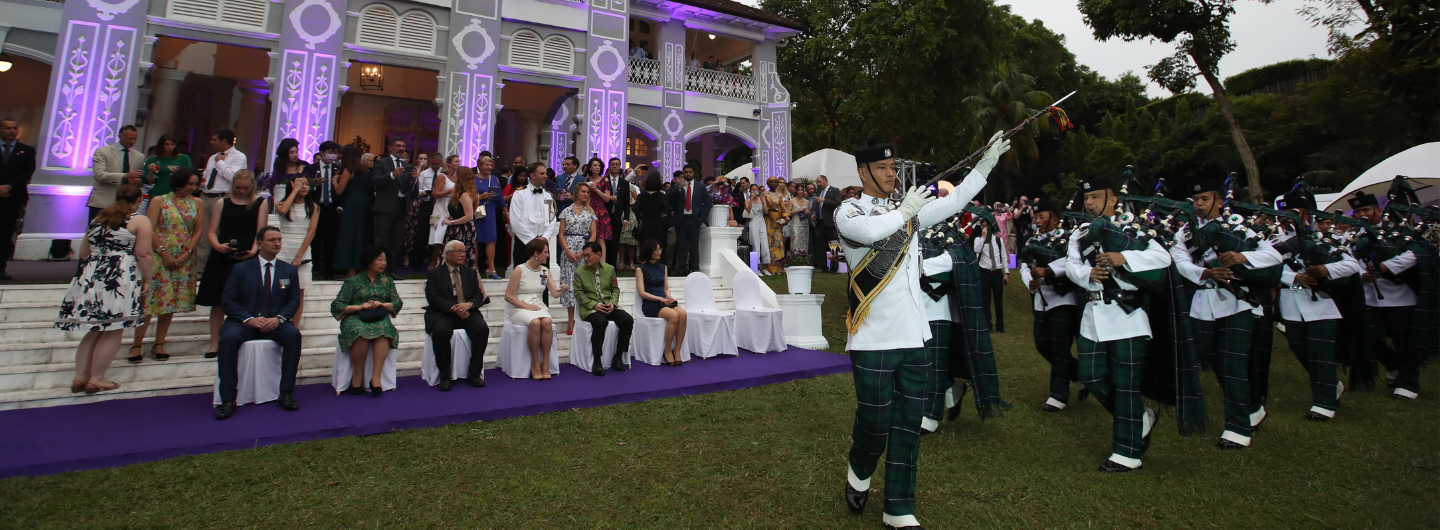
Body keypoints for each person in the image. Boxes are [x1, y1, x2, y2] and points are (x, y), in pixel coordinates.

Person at [835, 137, 1005, 530]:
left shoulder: (904, 211)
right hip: (874, 338)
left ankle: (898, 507)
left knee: (908, 426)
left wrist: (985, 164)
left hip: (914, 336)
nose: (891, 174)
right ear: (863, 173)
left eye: (894, 167)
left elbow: (955, 201)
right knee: (875, 422)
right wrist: (908, 211)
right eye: (882, 168)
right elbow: (869, 233)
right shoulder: (850, 210)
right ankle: (859, 468)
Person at [1063, 175, 1173, 472]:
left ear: (1113, 199)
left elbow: (1161, 257)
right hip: (1093, 314)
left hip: (1127, 315)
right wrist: (1086, 276)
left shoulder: (1132, 228)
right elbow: (1071, 264)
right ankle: (1140, 417)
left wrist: (1123, 256)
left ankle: (1127, 453)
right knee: (1092, 376)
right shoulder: (1080, 233)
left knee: (1125, 386)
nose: (1089, 203)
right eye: (1086, 198)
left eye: (1095, 197)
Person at [1169, 178, 1283, 449]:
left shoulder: (1236, 228)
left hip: (1237, 303)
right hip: (1203, 303)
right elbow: (1180, 260)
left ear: (1219, 202)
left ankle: (1237, 428)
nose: (1199, 205)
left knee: (1233, 365)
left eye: (1205, 199)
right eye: (1195, 200)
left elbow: (1273, 256)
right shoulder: (1184, 231)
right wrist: (1205, 272)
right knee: (1213, 360)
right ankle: (1252, 405)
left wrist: (1244, 257)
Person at [56, 183, 153, 394]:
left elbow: (84, 251)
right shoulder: (139, 220)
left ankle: (80, 377)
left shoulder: (98, 219)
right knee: (113, 329)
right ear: (139, 200)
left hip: (92, 274)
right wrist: (148, 278)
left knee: (93, 329)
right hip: (119, 276)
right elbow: (144, 253)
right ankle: (97, 378)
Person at [1273, 187, 1360, 420]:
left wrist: (1325, 269)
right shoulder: (1273, 242)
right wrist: (1294, 278)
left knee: (1321, 353)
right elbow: (1269, 269)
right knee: (1301, 350)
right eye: (1287, 211)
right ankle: (1331, 384)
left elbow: (1352, 265)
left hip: (1322, 305)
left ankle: (1324, 404)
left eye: (1296, 211)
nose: (1290, 216)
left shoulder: (1324, 238)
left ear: (1305, 213)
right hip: (1291, 304)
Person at [214, 226, 303, 419]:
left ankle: (286, 392)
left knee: (294, 336)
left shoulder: (289, 270)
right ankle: (228, 399)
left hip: (274, 323)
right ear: (259, 243)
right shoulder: (240, 269)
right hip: (244, 322)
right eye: (272, 240)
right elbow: (228, 301)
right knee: (228, 338)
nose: (277, 243)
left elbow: (294, 300)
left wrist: (279, 319)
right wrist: (249, 319)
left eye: (279, 240)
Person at [1351, 191, 1422, 400]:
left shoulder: (1398, 231)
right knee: (1368, 337)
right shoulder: (1353, 235)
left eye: (1366, 209)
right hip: (1370, 297)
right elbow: (1345, 257)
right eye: (1358, 211)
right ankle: (1393, 366)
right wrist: (1361, 274)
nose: (1363, 214)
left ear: (1378, 211)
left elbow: (1415, 254)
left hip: (1400, 295)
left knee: (1404, 342)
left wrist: (1385, 267)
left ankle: (1409, 384)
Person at [129, 168, 203, 363]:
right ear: (179, 182)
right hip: (160, 255)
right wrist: (163, 252)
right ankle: (137, 344)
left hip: (183, 257)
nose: (193, 188)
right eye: (190, 184)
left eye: (195, 184)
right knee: (151, 299)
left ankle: (159, 343)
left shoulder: (197, 203)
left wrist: (188, 252)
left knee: (171, 301)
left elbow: (198, 230)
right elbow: (150, 227)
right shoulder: (160, 200)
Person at [195, 170, 268, 359]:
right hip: (222, 255)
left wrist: (253, 252)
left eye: (246, 188)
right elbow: (212, 231)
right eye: (238, 188)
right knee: (218, 301)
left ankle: (241, 340)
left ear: (252, 186)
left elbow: (260, 231)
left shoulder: (260, 203)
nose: (242, 191)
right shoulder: (222, 203)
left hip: (248, 255)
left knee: (247, 301)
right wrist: (218, 246)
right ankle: (214, 343)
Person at [1018, 199, 1082, 412]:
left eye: (1041, 217)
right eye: (1035, 217)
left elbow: (1074, 260)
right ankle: (1080, 376)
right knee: (1042, 345)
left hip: (1063, 299)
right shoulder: (1030, 242)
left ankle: (1058, 395)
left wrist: (1049, 270)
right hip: (1041, 300)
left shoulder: (1067, 238)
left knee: (1061, 348)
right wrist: (1030, 282)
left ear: (1055, 220)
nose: (1037, 221)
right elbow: (1024, 266)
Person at [329, 244, 403, 396]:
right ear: (369, 262)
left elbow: (397, 302)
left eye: (384, 260)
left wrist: (382, 304)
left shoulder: (387, 281)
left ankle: (375, 379)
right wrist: (359, 307)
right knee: (360, 330)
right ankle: (357, 376)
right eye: (379, 260)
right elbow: (337, 305)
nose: (384, 263)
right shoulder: (352, 282)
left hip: (379, 316)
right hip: (356, 317)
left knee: (384, 330)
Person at [424, 240, 491, 390]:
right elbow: (433, 297)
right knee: (441, 332)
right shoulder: (435, 273)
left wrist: (469, 305)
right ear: (448, 255)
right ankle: (444, 375)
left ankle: (474, 373)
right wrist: (453, 307)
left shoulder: (470, 272)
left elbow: (478, 295)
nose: (462, 255)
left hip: (467, 310)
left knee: (482, 329)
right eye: (458, 252)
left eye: (463, 252)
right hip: (444, 312)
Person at [504, 238, 570, 380]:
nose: (547, 255)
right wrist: (527, 307)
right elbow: (508, 296)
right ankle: (534, 362)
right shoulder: (519, 269)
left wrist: (564, 290)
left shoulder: (545, 271)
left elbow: (554, 293)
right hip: (520, 306)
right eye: (545, 252)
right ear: (536, 253)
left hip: (538, 304)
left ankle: (545, 362)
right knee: (535, 323)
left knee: (546, 322)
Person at [573, 241, 633, 375]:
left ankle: (618, 355)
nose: (586, 259)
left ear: (598, 254)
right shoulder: (579, 272)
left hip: (607, 305)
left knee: (627, 320)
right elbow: (578, 294)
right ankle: (597, 360)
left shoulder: (609, 269)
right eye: (584, 256)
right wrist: (594, 305)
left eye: (588, 255)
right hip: (590, 308)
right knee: (601, 321)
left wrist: (613, 302)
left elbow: (615, 289)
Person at [196, 129, 248, 272]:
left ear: (223, 141)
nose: (211, 142)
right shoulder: (212, 157)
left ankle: (216, 269)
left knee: (220, 234)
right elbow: (208, 176)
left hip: (223, 198)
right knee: (203, 235)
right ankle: (201, 270)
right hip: (206, 196)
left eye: (214, 139)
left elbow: (234, 177)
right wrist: (201, 183)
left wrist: (220, 164)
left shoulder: (239, 157)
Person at [275, 174, 320, 329]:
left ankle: (294, 327)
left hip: (303, 251)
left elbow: (311, 232)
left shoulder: (313, 207)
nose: (305, 187)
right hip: (284, 249)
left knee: (299, 293)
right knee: (282, 289)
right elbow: (282, 211)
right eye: (301, 184)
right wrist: (294, 192)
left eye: (307, 184)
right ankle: (279, 321)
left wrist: (299, 256)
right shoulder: (281, 203)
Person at [635, 239, 687, 365]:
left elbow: (666, 288)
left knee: (683, 314)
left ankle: (677, 349)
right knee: (674, 316)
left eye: (660, 249)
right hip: (650, 303)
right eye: (656, 249)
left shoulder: (663, 267)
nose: (659, 252)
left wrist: (669, 297)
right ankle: (667, 350)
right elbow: (642, 292)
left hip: (664, 301)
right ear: (649, 251)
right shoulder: (640, 269)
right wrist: (659, 299)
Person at [558, 182, 599, 334]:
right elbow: (561, 233)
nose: (586, 194)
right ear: (576, 193)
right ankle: (570, 319)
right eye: (583, 192)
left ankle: (584, 315)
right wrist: (567, 250)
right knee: (569, 283)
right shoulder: (566, 211)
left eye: (587, 192)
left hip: (585, 249)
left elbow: (593, 234)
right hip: (568, 248)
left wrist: (583, 252)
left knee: (583, 283)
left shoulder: (590, 212)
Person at [372, 138, 415, 276]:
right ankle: (378, 270)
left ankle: (391, 270)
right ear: (391, 147)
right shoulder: (382, 162)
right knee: (381, 240)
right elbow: (374, 180)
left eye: (403, 146)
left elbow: (411, 191)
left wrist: (415, 179)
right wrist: (392, 175)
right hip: (385, 207)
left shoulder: (406, 165)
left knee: (395, 241)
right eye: (398, 146)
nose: (401, 148)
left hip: (401, 207)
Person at [88, 124, 145, 221]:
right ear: (120, 136)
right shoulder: (103, 152)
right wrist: (125, 176)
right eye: (129, 138)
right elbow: (99, 175)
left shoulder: (139, 156)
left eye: (135, 139)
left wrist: (137, 182)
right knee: (96, 231)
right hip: (104, 201)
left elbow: (138, 178)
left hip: (126, 204)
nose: (132, 141)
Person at [0, 119, 34, 280]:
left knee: (5, 234)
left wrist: (8, 187)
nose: (12, 131)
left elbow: (26, 173)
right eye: (7, 128)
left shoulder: (26, 150)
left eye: (14, 128)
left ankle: (1, 268)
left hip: (13, 198)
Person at [332, 148, 374, 276]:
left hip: (352, 204)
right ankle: (361, 267)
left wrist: (334, 181)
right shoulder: (365, 172)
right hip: (365, 203)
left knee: (350, 236)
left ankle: (350, 269)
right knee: (362, 235)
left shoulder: (348, 170)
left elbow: (339, 190)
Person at [305, 141, 343, 280]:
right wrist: (313, 183)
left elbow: (343, 190)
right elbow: (304, 188)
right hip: (316, 208)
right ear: (322, 153)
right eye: (330, 152)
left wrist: (340, 207)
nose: (332, 155)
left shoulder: (338, 169)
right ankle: (313, 269)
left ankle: (328, 271)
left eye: (335, 152)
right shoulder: (310, 168)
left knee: (330, 242)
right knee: (314, 240)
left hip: (332, 209)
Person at [510, 162, 558, 270]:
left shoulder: (547, 195)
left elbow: (552, 219)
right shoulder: (519, 194)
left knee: (543, 277)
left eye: (545, 173)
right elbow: (515, 220)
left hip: (542, 243)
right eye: (542, 173)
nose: (545, 176)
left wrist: (544, 237)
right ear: (532, 175)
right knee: (522, 277)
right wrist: (532, 240)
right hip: (524, 243)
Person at [667, 165, 711, 275]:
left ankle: (695, 268)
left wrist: (702, 218)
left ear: (694, 173)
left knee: (694, 245)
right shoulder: (677, 186)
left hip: (695, 219)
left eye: (690, 172)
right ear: (683, 174)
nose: (688, 174)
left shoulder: (700, 187)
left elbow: (707, 203)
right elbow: (669, 198)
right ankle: (682, 268)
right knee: (681, 244)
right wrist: (679, 189)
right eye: (686, 172)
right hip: (681, 219)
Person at [402, 151, 437, 272]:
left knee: (436, 234)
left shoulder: (443, 173)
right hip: (425, 204)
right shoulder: (424, 173)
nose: (435, 166)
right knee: (421, 234)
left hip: (438, 206)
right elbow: (418, 190)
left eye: (437, 164)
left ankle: (435, 262)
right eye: (433, 163)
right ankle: (417, 264)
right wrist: (426, 193)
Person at [440, 167, 479, 267]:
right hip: (455, 228)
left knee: (459, 257)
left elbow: (469, 216)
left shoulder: (465, 195)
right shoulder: (459, 194)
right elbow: (459, 212)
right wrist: (449, 217)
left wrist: (452, 222)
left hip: (462, 230)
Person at [975, 221, 1010, 332]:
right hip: (985, 272)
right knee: (986, 299)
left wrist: (1007, 273)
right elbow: (977, 250)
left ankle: (1000, 324)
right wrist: (983, 237)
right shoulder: (978, 239)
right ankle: (988, 324)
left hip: (997, 272)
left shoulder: (998, 241)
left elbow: (1003, 256)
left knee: (998, 300)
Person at [474, 156, 505, 277]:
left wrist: (506, 212)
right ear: (480, 166)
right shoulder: (473, 178)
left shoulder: (494, 179)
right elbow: (466, 195)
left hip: (490, 212)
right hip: (477, 210)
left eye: (491, 165)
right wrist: (479, 197)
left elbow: (500, 197)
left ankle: (491, 268)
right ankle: (474, 266)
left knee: (491, 239)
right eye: (486, 165)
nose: (489, 167)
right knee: (475, 240)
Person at [141, 134, 191, 208]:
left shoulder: (183, 158)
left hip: (177, 193)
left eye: (172, 144)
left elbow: (190, 178)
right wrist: (151, 171)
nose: (170, 147)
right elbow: (150, 182)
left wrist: (179, 173)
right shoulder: (153, 160)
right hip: (158, 192)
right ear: (161, 145)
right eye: (167, 144)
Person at [428, 154, 459, 267]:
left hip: (452, 208)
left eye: (458, 161)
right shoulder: (442, 176)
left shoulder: (458, 177)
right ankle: (433, 263)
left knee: (450, 238)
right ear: (449, 163)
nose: (458, 163)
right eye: (455, 161)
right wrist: (450, 190)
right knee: (439, 239)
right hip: (441, 207)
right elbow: (435, 194)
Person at [633, 173, 671, 261]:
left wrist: (642, 216)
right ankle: (659, 264)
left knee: (646, 244)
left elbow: (636, 209)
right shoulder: (662, 196)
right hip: (658, 224)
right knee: (659, 244)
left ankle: (645, 264)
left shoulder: (641, 196)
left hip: (646, 224)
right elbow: (667, 210)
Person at [581, 158, 612, 260]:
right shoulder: (586, 180)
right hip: (588, 209)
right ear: (590, 167)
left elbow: (607, 198)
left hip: (600, 210)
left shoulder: (605, 180)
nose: (597, 167)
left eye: (599, 166)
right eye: (595, 165)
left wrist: (597, 190)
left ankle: (602, 264)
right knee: (589, 238)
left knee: (600, 239)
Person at [604, 158, 633, 266]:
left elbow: (626, 203)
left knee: (615, 243)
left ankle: (613, 268)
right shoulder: (604, 180)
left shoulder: (624, 183)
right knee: (605, 243)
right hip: (605, 216)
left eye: (617, 164)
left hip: (617, 217)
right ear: (609, 166)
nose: (615, 166)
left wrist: (626, 218)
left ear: (620, 167)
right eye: (612, 164)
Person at [616, 165, 645, 271]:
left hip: (630, 214)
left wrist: (629, 203)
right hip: (620, 214)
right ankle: (622, 262)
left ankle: (632, 262)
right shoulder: (617, 186)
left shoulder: (631, 187)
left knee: (631, 242)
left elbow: (637, 200)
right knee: (621, 242)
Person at [810, 175, 842, 272]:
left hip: (831, 223)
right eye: (817, 182)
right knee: (820, 246)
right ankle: (823, 267)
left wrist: (824, 200)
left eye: (819, 182)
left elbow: (837, 203)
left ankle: (834, 267)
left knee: (834, 246)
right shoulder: (819, 192)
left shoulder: (835, 190)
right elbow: (815, 206)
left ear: (825, 180)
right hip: (820, 222)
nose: (818, 184)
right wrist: (814, 214)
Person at [760, 177, 788, 275]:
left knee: (779, 244)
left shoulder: (779, 195)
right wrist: (770, 209)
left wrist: (785, 217)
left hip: (778, 223)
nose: (773, 183)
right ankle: (770, 268)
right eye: (771, 182)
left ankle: (779, 267)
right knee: (770, 243)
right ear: (768, 183)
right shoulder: (764, 194)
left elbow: (783, 208)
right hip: (769, 221)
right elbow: (763, 208)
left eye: (774, 182)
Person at [746, 184, 771, 275]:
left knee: (765, 244)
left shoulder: (761, 199)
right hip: (753, 222)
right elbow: (748, 210)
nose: (755, 192)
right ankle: (756, 267)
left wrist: (762, 200)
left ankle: (765, 267)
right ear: (750, 191)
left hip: (762, 222)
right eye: (753, 190)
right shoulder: (747, 200)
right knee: (755, 244)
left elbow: (766, 211)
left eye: (757, 190)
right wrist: (752, 199)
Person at [788, 183, 811, 261]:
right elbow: (787, 213)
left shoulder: (807, 202)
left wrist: (808, 213)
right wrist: (796, 210)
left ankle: (804, 259)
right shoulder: (792, 201)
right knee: (796, 241)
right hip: (795, 223)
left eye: (802, 190)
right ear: (796, 191)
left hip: (804, 224)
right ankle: (794, 259)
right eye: (799, 190)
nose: (800, 192)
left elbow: (809, 213)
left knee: (804, 242)